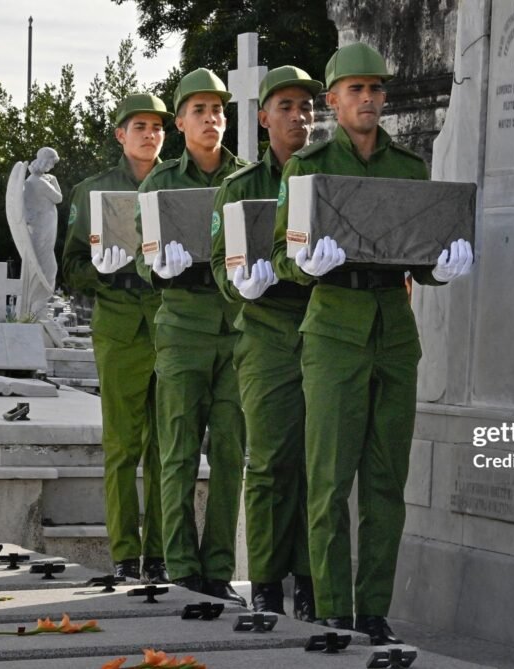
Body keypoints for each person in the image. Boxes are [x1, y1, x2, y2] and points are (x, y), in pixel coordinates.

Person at [271, 43, 474, 645]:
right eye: (354, 90)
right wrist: (307, 263)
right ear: (332, 100)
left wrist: (443, 267)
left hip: (392, 328)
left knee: (387, 480)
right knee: (329, 478)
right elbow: (283, 254)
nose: (367, 99)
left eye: (376, 89)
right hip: (333, 327)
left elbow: (422, 250)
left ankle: (374, 609)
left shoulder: (409, 167)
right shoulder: (304, 168)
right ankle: (332, 605)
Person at [209, 66, 323, 621]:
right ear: (263, 117)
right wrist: (240, 282)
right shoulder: (241, 186)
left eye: (306, 105)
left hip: (324, 328)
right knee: (271, 462)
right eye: (286, 106)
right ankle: (266, 580)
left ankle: (309, 580)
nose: (299, 115)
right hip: (265, 332)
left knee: (316, 463)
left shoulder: (324, 175)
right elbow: (217, 261)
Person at [134, 69, 249, 606]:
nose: (211, 119)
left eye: (218, 110)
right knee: (178, 450)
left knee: (231, 453)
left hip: (236, 328)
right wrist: (158, 263)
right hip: (182, 327)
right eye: (200, 110)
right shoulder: (160, 183)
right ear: (180, 122)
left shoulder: (248, 177)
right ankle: (180, 565)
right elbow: (141, 258)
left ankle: (220, 566)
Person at [60, 93, 172, 584]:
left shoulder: (180, 182)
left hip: (172, 322)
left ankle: (161, 552)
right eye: (140, 126)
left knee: (169, 447)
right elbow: (70, 265)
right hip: (121, 322)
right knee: (123, 446)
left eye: (157, 127)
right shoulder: (91, 191)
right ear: (120, 134)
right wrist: (100, 273)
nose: (151, 134)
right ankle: (125, 552)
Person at [22, 147, 62, 319]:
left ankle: (38, 308)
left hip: (47, 225)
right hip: (41, 228)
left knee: (48, 266)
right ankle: (37, 308)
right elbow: (58, 198)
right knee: (48, 268)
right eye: (51, 163)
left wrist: (52, 180)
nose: (52, 167)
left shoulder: (37, 180)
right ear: (44, 161)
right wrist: (53, 182)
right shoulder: (36, 182)